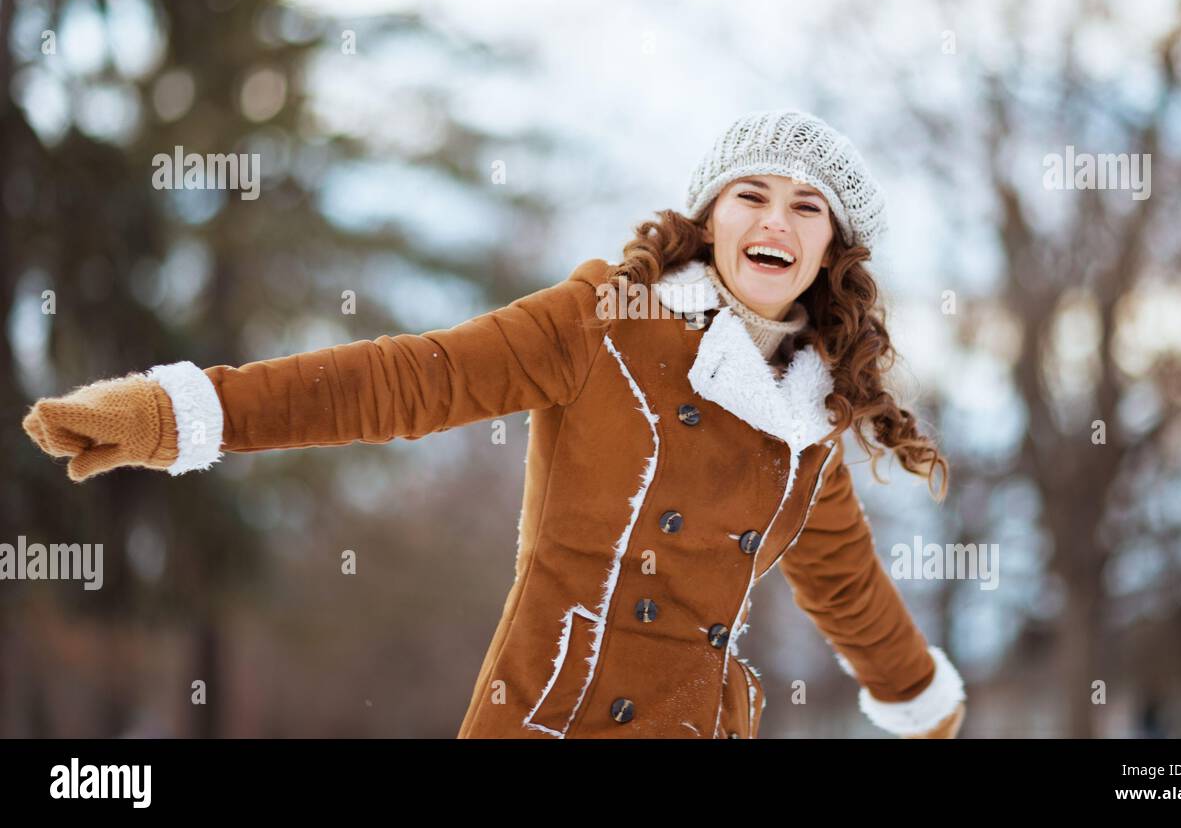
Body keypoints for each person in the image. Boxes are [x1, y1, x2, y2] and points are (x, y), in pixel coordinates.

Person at [22, 108, 966, 739]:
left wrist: (919, 699)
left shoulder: (808, 427)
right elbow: (402, 381)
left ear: (830, 252)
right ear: (712, 218)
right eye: (752, 193)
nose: (778, 218)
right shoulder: (605, 323)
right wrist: (179, 413)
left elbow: (848, 587)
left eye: (809, 207)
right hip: (548, 716)